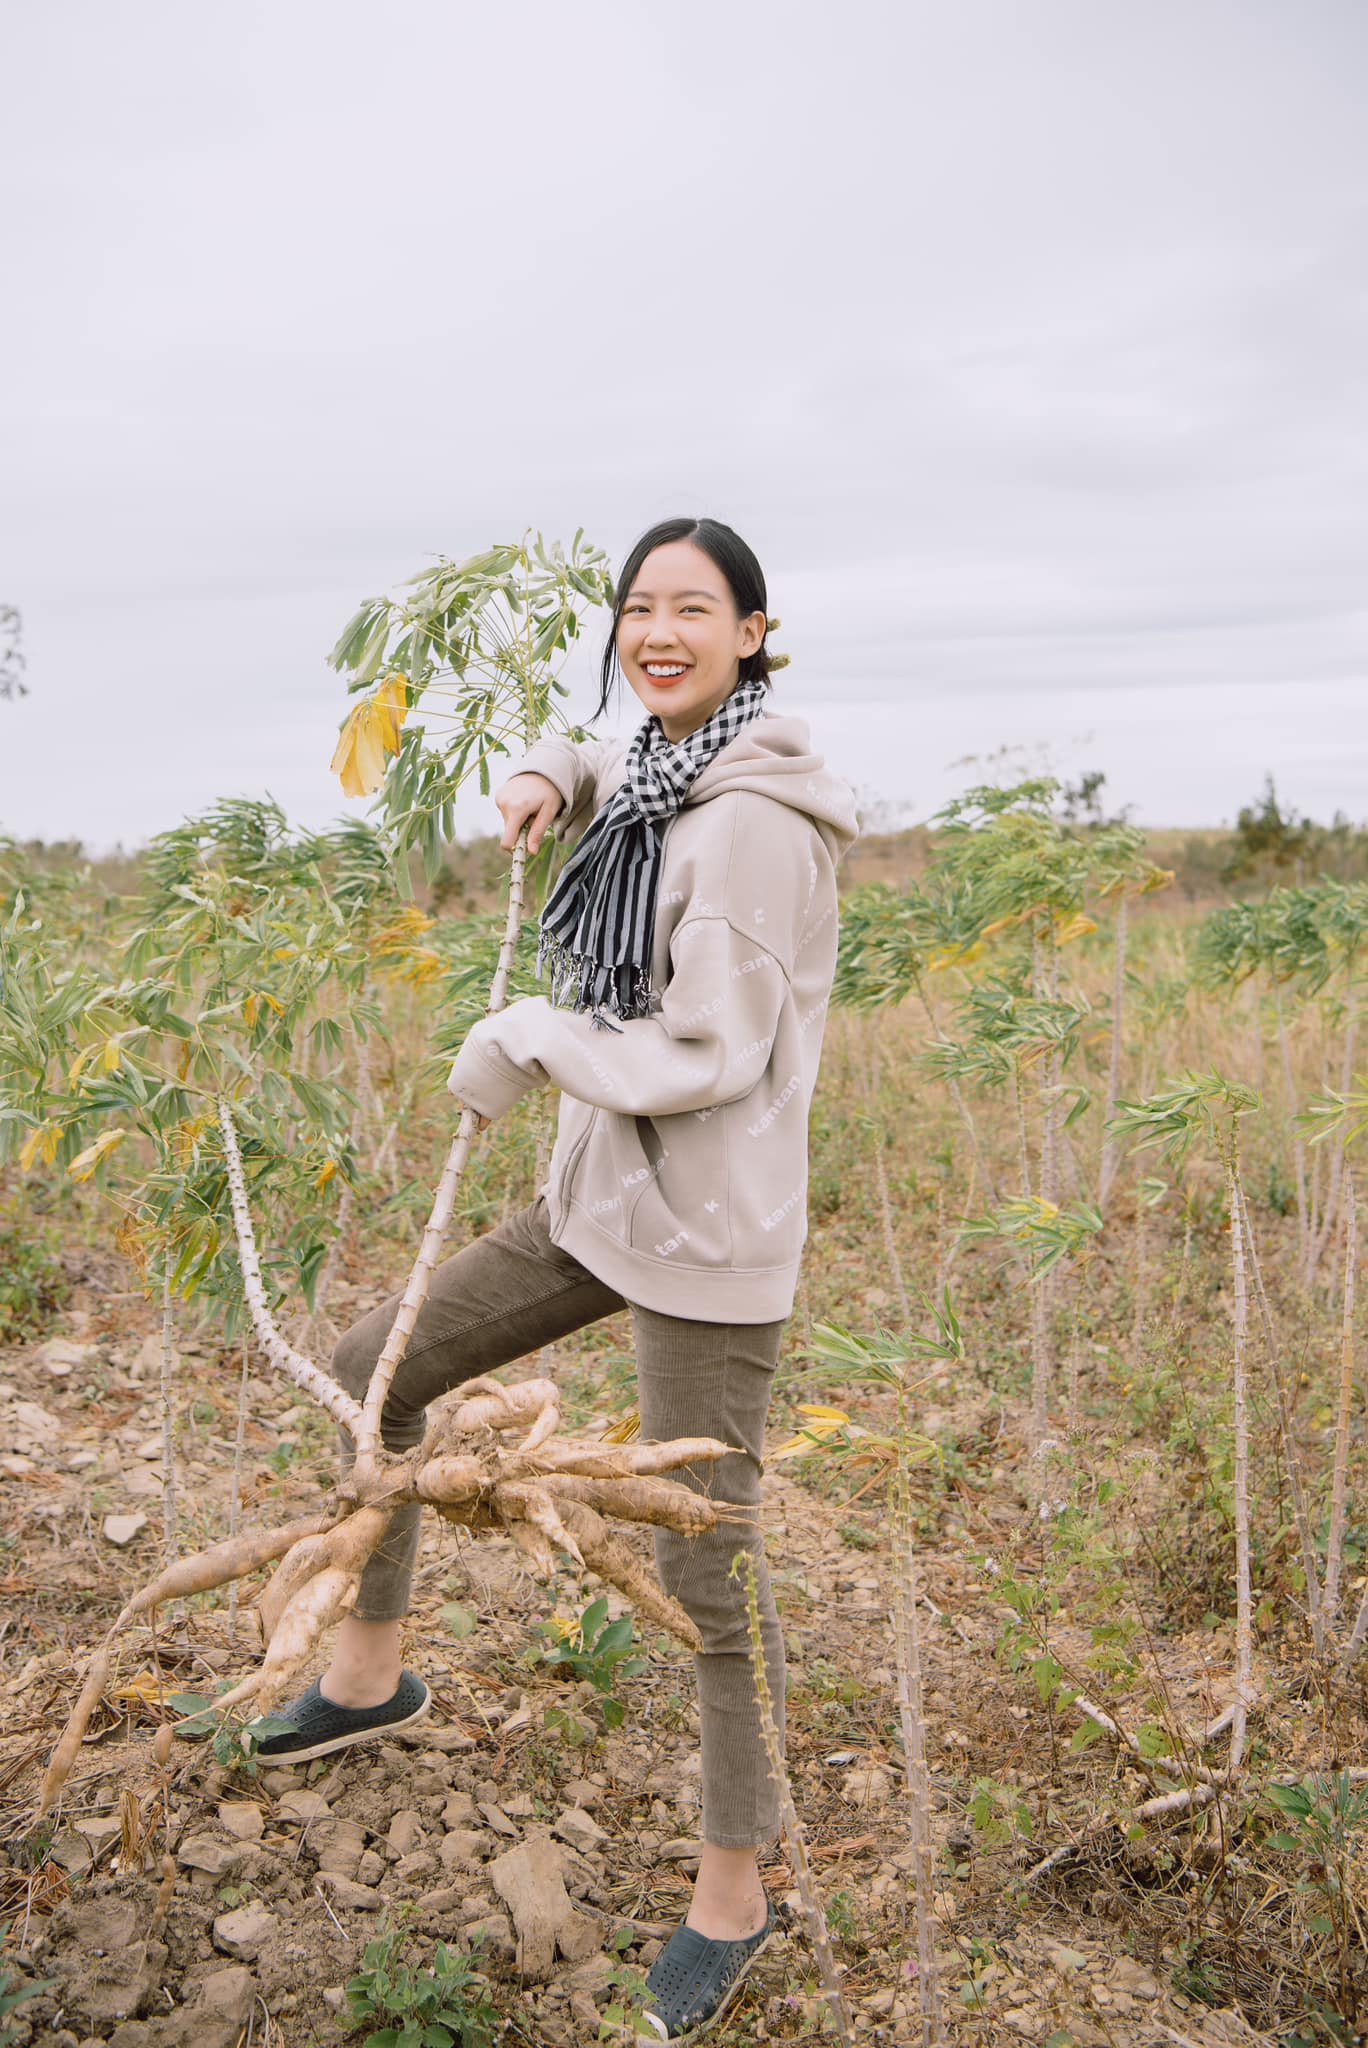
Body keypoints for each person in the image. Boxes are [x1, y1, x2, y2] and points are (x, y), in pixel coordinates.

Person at [258, 516, 858, 2042]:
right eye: (639, 607)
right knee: (375, 1362)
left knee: (704, 1571)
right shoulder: (676, 758)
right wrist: (548, 771)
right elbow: (618, 753)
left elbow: (710, 1054)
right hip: (600, 1202)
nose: (660, 629)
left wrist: (531, 1038)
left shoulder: (749, 828)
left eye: (694, 609)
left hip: (706, 1236)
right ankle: (372, 1674)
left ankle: (737, 1893)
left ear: (756, 634)